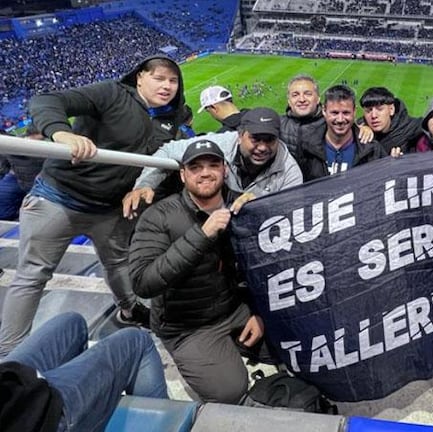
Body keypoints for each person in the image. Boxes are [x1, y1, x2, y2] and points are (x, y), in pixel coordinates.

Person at [0, 55, 187, 356]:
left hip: (111, 210)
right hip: (58, 199)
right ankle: (8, 356)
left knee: (117, 263)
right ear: (139, 77)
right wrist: (62, 133)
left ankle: (129, 310)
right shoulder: (111, 93)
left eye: (173, 81)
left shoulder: (167, 122)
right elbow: (46, 100)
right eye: (159, 78)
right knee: (33, 275)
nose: (167, 86)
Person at [129, 140, 264, 403]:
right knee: (230, 391)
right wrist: (202, 235)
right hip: (187, 326)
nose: (205, 172)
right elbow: (143, 282)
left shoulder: (242, 204)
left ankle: (226, 351)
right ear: (182, 174)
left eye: (213, 165)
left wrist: (259, 312)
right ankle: (206, 358)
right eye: (195, 167)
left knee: (296, 342)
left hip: (236, 308)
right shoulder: (159, 216)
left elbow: (268, 268)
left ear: (225, 170)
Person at [122, 107, 303, 218]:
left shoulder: (290, 172)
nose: (263, 147)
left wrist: (261, 206)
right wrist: (145, 184)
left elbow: (290, 216)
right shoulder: (221, 144)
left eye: (270, 140)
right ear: (240, 136)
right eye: (256, 139)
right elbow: (167, 151)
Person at [0, 312, 167, 431]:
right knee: (136, 342)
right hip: (32, 418)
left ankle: (93, 409)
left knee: (72, 323)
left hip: (12, 382)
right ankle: (167, 424)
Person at [294, 84, 384, 181]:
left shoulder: (372, 149)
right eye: (335, 113)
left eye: (346, 113)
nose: (340, 119)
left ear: (354, 112)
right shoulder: (306, 147)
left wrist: (396, 162)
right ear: (324, 111)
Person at [358, 87, 433, 156]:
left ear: (391, 109)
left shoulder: (409, 126)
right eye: (368, 111)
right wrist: (362, 125)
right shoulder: (359, 132)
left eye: (379, 109)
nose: (374, 115)